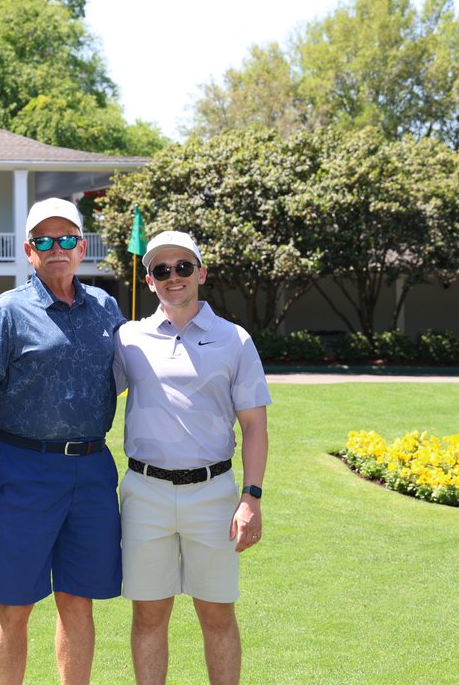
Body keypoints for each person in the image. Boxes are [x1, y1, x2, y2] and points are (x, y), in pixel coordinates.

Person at [0, 197, 126, 685]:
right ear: (29, 252)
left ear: (82, 248)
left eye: (68, 239)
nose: (58, 249)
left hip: (92, 472)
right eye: (45, 241)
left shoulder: (106, 306)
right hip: (22, 470)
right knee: (14, 604)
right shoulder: (6, 312)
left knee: (78, 600)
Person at [113, 231, 270, 685]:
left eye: (183, 267)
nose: (173, 277)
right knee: (148, 615)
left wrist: (251, 497)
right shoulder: (129, 338)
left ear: (202, 273)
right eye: (162, 270)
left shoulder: (234, 339)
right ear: (149, 280)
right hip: (145, 493)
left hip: (214, 494)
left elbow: (254, 425)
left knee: (217, 614)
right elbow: (96, 395)